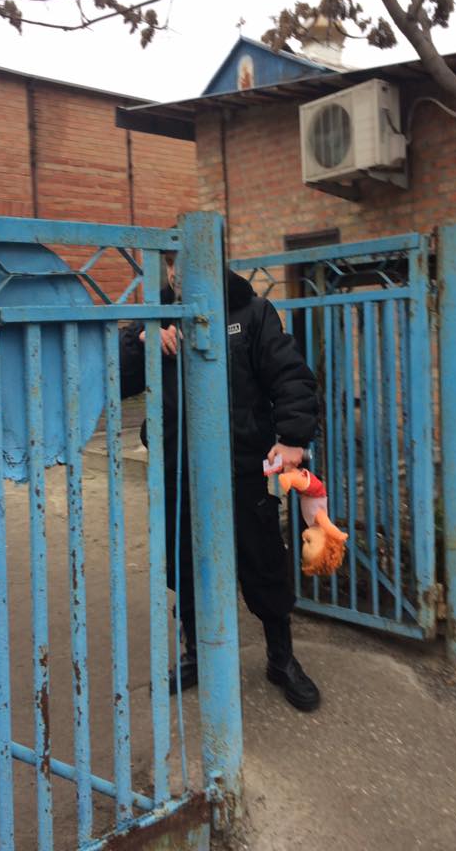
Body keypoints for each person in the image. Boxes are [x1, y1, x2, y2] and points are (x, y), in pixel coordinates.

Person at [119, 250, 321, 711]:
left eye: (187, 260)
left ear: (214, 258)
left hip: (242, 469)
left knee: (263, 563)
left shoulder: (251, 312)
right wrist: (141, 341)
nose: (177, 271)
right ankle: (196, 654)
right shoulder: (157, 316)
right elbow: (113, 377)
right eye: (171, 262)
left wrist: (293, 438)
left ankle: (281, 658)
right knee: (186, 566)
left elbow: (290, 376)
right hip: (178, 469)